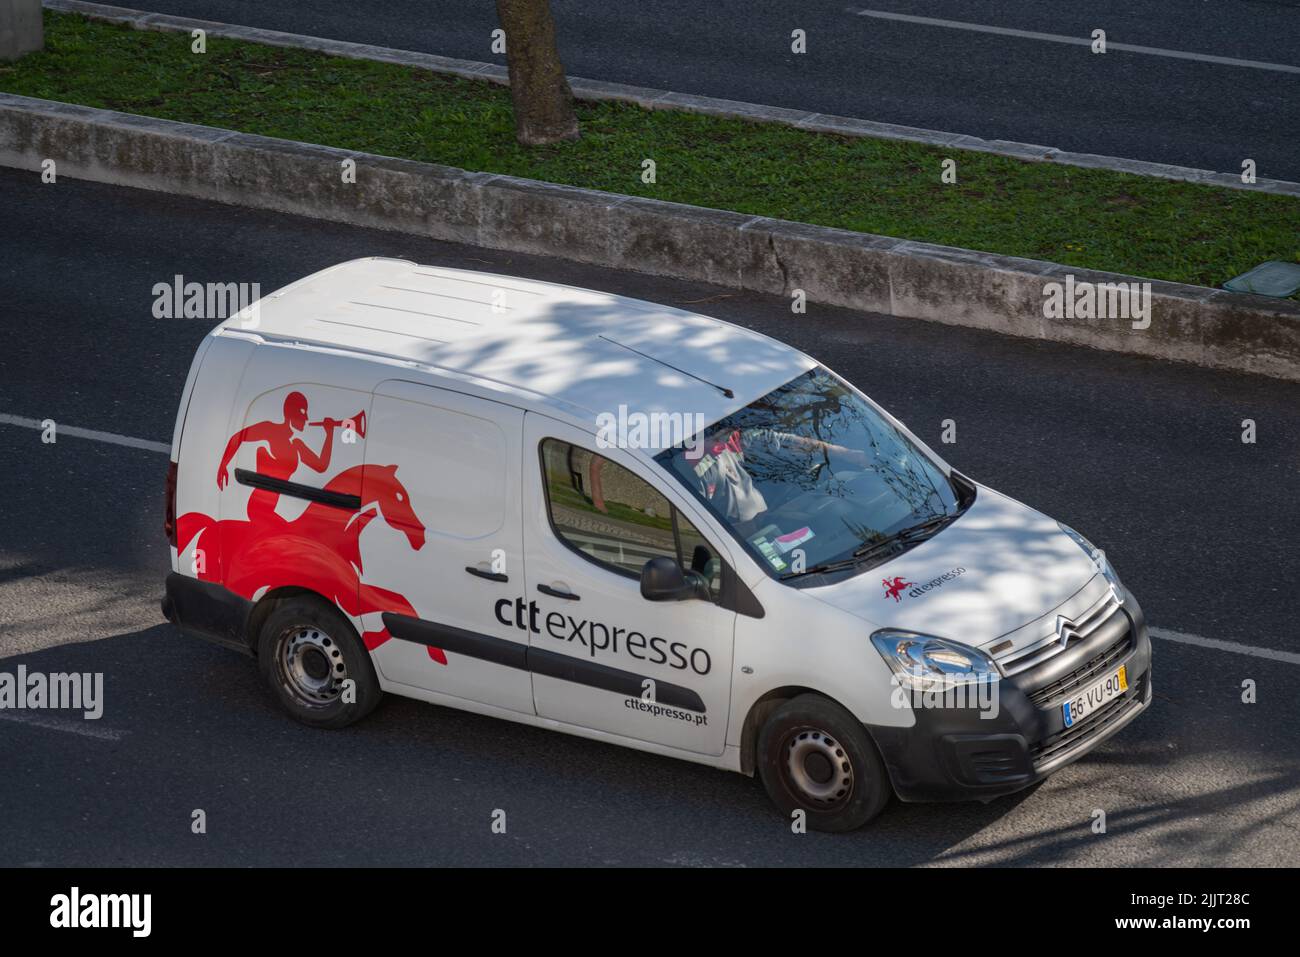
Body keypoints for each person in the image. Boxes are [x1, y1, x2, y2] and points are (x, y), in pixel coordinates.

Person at [215, 391, 346, 524]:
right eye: (302, 412)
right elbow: (238, 437)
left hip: (270, 508)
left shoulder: (296, 444)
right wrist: (223, 464)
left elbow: (321, 466)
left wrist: (330, 433)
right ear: (290, 413)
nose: (306, 418)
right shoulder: (270, 430)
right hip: (258, 506)